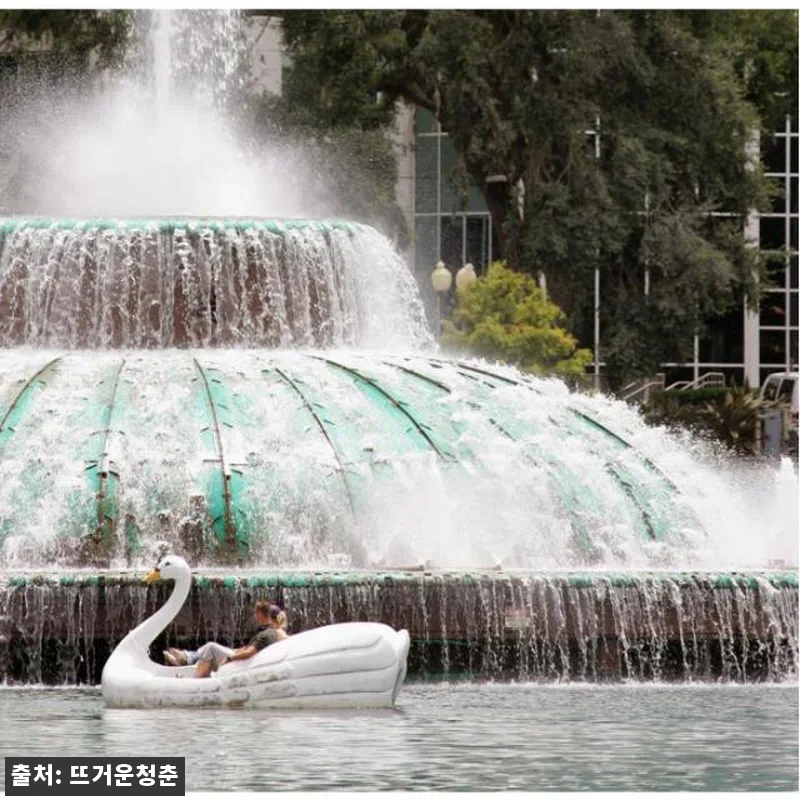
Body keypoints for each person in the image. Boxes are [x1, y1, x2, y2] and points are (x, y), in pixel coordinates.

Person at [164, 601, 286, 677]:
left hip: (242, 662)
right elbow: (251, 648)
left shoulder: (266, 634)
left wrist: (230, 657)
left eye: (255, 613)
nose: (254, 616)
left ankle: (194, 678)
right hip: (242, 657)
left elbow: (249, 652)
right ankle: (187, 658)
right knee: (208, 648)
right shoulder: (267, 631)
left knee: (211, 647)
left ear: (260, 614)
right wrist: (238, 650)